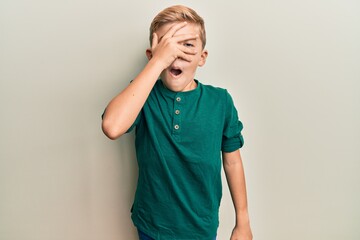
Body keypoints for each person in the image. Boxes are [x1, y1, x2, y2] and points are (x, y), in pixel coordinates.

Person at [102, 5, 253, 240]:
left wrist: (242, 222)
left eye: (187, 45)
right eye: (167, 45)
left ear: (202, 57)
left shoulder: (220, 101)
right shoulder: (142, 95)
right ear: (152, 54)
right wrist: (157, 63)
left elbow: (232, 163)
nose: (176, 54)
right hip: (151, 226)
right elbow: (112, 126)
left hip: (200, 228)